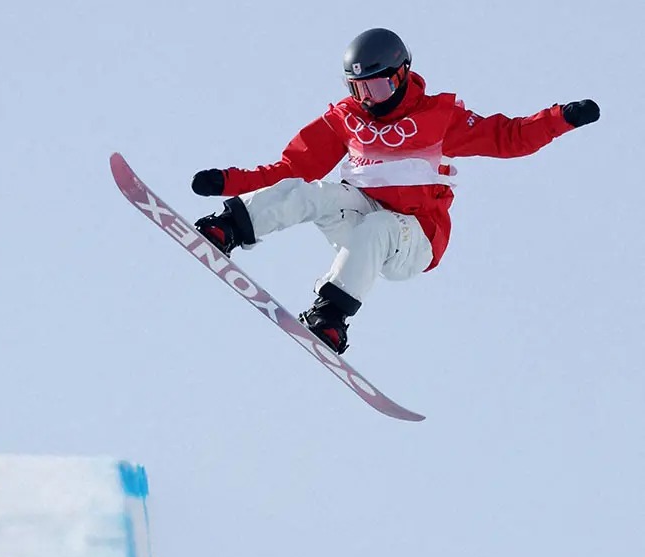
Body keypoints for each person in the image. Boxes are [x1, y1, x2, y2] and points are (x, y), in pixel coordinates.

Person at [191, 27, 599, 354]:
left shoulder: (440, 117)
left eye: (379, 88)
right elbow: (291, 170)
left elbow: (508, 136)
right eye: (359, 90)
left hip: (416, 237)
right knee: (316, 193)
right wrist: (228, 181)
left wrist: (561, 118)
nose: (369, 101)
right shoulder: (347, 118)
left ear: (401, 75)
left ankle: (331, 319)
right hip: (359, 215)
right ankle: (230, 227)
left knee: (381, 227)